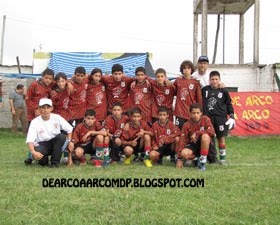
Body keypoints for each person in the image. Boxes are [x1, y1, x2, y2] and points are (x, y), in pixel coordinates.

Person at [26, 98, 73, 168]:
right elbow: (30, 140)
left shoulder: (57, 118)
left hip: (56, 143)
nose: (45, 110)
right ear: (39, 108)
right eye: (43, 108)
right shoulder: (34, 122)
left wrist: (69, 141)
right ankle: (33, 156)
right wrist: (33, 152)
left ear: (51, 108)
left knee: (61, 136)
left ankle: (55, 162)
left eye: (48, 107)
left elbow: (69, 129)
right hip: (42, 144)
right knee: (43, 163)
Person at [202, 71, 235, 164]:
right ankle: (211, 158)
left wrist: (231, 115)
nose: (214, 81)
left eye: (216, 79)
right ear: (209, 80)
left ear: (219, 80)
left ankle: (222, 159)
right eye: (212, 79)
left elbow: (229, 103)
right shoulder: (204, 90)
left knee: (220, 138)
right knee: (209, 138)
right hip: (208, 118)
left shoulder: (224, 90)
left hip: (221, 118)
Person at [25, 68, 55, 164]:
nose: (48, 80)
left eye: (50, 78)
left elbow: (62, 80)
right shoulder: (34, 85)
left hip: (44, 116)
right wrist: (35, 110)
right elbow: (27, 99)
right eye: (46, 78)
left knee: (42, 136)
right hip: (33, 116)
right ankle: (30, 155)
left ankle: (40, 154)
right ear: (42, 77)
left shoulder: (51, 86)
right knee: (32, 136)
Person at [176, 103, 215, 171]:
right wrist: (180, 159)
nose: (195, 115)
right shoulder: (186, 124)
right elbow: (182, 140)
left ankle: (202, 164)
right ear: (190, 113)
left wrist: (197, 133)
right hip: (193, 145)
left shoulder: (205, 119)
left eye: (197, 113)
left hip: (205, 145)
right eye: (193, 113)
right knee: (184, 153)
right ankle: (197, 159)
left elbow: (212, 132)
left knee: (205, 136)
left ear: (201, 113)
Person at [173, 60, 202, 129]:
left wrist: (200, 110)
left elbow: (199, 98)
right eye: (184, 68)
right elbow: (173, 92)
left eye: (188, 68)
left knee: (190, 133)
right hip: (179, 112)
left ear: (191, 70)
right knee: (179, 132)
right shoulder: (177, 81)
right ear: (182, 70)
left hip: (191, 112)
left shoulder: (195, 82)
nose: (186, 70)